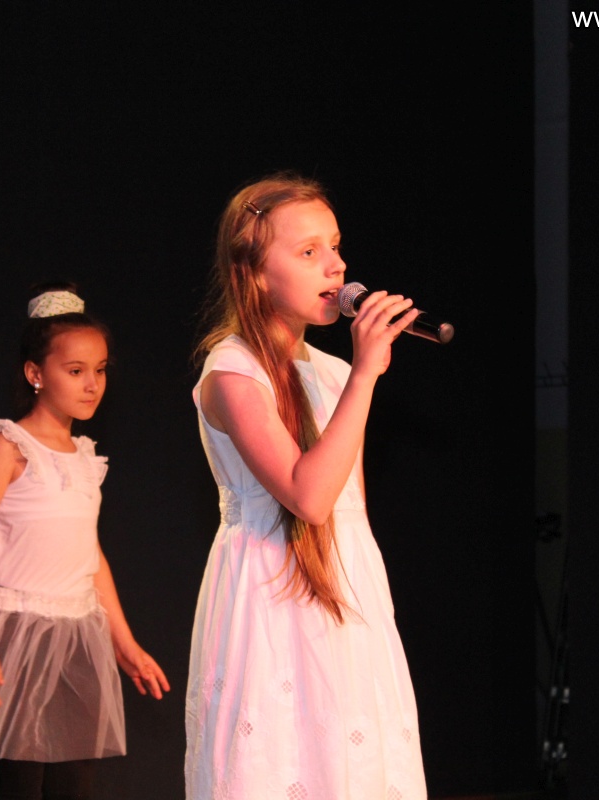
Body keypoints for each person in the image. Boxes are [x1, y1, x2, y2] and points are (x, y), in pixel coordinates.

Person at [184, 173, 429, 799]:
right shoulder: (232, 371)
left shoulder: (336, 372)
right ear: (253, 274)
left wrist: (357, 375)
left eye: (336, 246)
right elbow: (309, 497)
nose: (336, 266)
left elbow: (350, 512)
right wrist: (367, 376)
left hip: (345, 592)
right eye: (309, 251)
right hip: (269, 599)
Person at [0, 282, 169, 800]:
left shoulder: (85, 457)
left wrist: (124, 642)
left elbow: (90, 557)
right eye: (76, 371)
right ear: (35, 374)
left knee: (74, 785)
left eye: (100, 370)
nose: (92, 385)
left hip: (78, 638)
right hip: (19, 636)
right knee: (21, 785)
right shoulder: (9, 449)